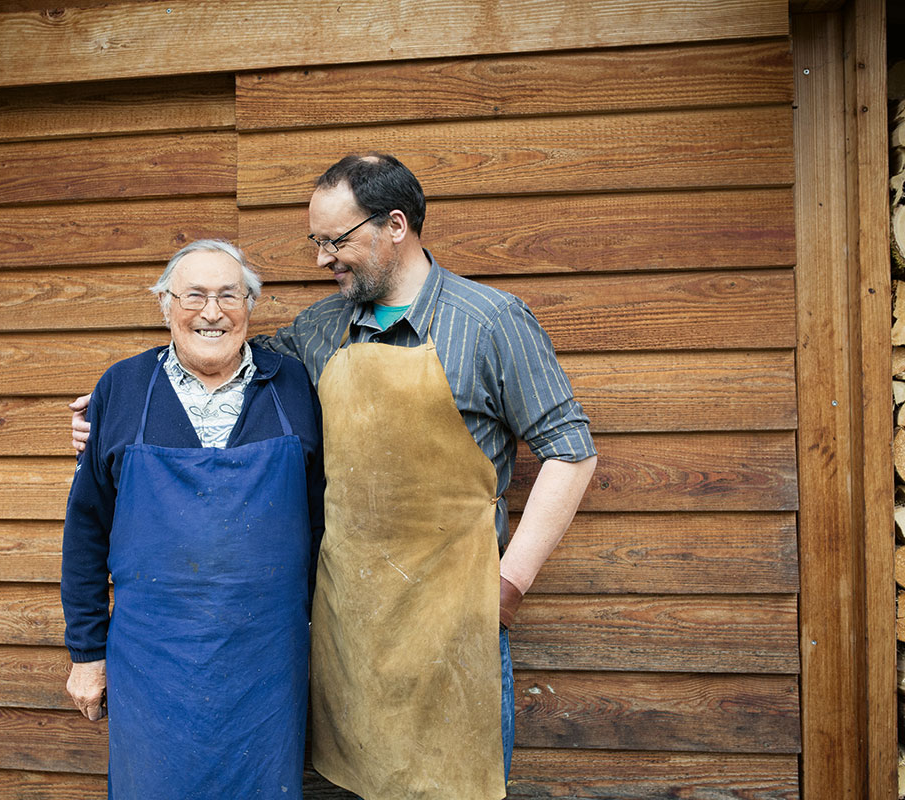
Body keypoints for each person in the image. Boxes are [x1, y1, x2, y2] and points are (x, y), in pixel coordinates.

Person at [71, 155, 597, 800]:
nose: (323, 258)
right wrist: (109, 413)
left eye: (335, 240)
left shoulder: (488, 321)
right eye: (316, 242)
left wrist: (507, 587)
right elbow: (220, 369)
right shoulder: (318, 332)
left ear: (395, 225)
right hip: (348, 624)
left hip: (451, 619)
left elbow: (571, 452)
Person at [61, 239, 325, 799]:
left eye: (230, 295)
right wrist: (86, 654)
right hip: (154, 660)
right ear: (165, 305)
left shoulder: (294, 386)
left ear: (250, 306)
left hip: (267, 660)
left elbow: (324, 517)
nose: (212, 311)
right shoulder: (123, 388)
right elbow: (86, 531)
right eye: (195, 295)